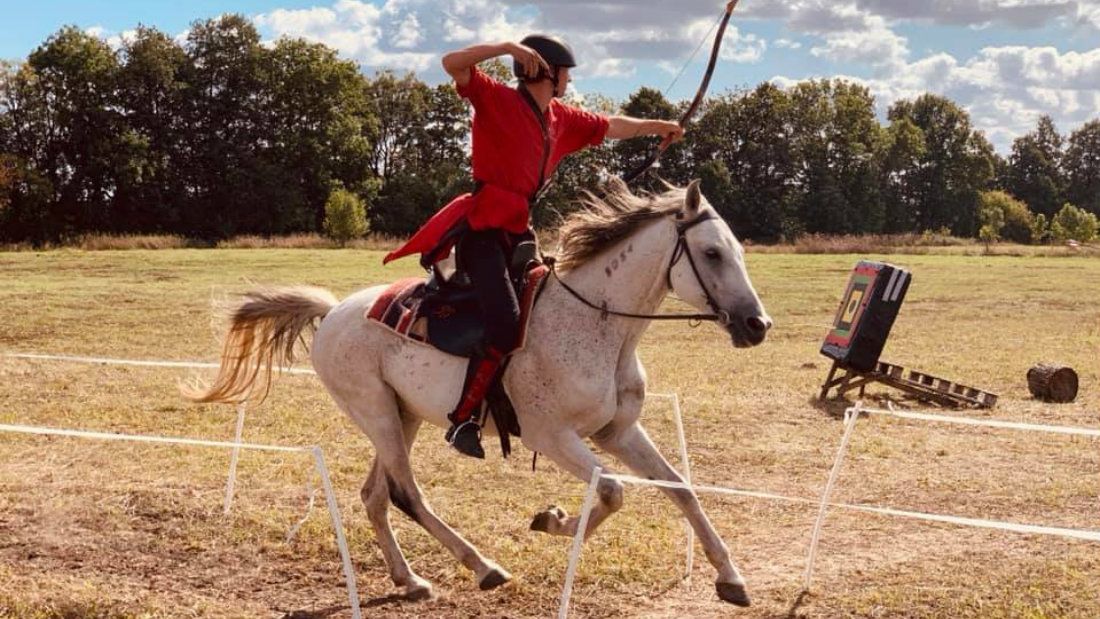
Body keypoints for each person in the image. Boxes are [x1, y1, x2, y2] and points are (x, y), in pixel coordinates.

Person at [383, 34, 685, 458]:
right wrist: (507, 47)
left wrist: (659, 127)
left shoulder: (560, 118)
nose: (568, 80)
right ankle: (465, 417)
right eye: (564, 72)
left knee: (546, 310)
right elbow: (452, 61)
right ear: (544, 71)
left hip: (519, 234)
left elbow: (612, 125)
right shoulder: (496, 99)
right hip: (483, 234)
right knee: (505, 322)